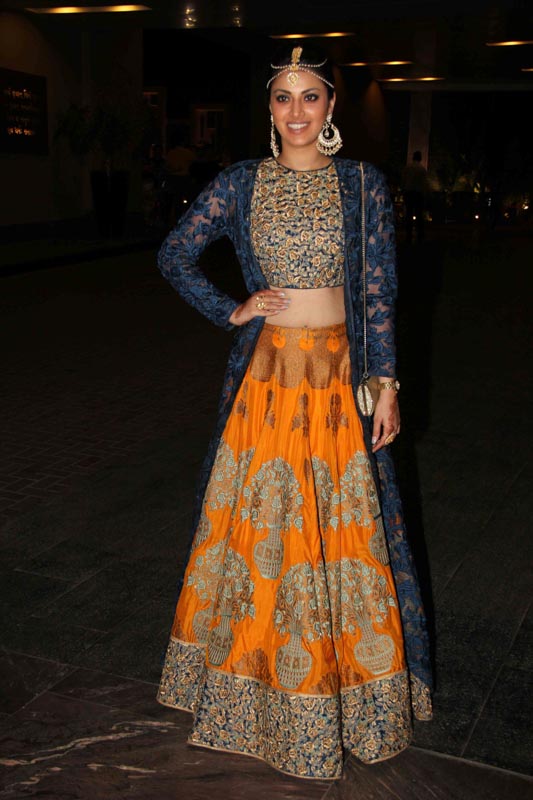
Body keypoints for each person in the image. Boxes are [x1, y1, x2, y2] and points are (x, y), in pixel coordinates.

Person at [156, 44, 433, 781]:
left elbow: (378, 290)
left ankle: (346, 692)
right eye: (284, 97)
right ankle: (251, 692)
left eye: (311, 96)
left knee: (343, 533)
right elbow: (174, 254)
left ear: (331, 106)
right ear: (269, 108)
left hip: (340, 379)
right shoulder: (240, 183)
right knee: (265, 531)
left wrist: (386, 385)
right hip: (269, 380)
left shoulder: (362, 185)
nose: (297, 110)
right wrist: (233, 309)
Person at [402, 150, 430, 243]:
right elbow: (424, 183)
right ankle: (420, 234)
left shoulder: (408, 168)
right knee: (419, 214)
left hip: (409, 192)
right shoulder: (422, 169)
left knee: (409, 214)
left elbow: (403, 180)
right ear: (420, 158)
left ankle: (408, 234)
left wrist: (403, 191)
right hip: (418, 193)